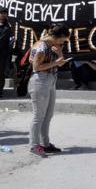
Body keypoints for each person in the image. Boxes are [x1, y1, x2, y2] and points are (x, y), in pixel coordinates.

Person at [28, 25, 69, 157]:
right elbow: (36, 67)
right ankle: (34, 146)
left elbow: (61, 62)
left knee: (48, 115)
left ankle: (45, 144)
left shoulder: (53, 45)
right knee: (38, 116)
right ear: (56, 37)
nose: (63, 42)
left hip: (50, 80)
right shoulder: (41, 47)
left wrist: (59, 54)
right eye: (63, 40)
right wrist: (55, 63)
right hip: (40, 81)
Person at [0, 8, 12, 98]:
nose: (4, 15)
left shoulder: (8, 25)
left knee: (1, 73)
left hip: (3, 53)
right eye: (2, 13)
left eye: (5, 13)